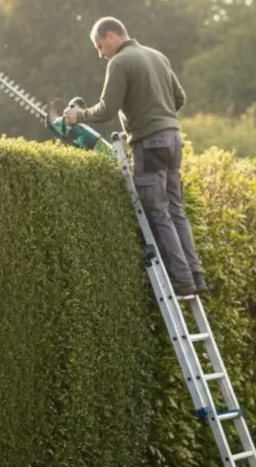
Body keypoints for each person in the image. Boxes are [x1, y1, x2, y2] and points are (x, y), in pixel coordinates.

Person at [64, 16, 205, 297]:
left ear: (113, 36)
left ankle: (182, 281)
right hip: (173, 139)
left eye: (101, 46)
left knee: (158, 211)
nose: (101, 53)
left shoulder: (120, 62)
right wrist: (157, 110)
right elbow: (180, 99)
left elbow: (105, 110)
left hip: (149, 143)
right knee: (176, 209)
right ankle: (196, 275)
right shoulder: (157, 56)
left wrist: (78, 116)